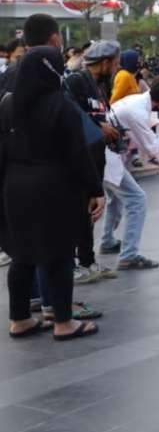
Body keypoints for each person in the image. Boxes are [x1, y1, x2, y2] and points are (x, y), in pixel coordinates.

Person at [3, 48, 106, 340]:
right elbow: (78, 153)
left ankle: (19, 319)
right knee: (59, 253)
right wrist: (95, 189)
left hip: (15, 186)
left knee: (21, 254)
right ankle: (63, 322)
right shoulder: (60, 105)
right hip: (54, 186)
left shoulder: (8, 104)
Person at [102, 77, 159, 271]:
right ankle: (128, 255)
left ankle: (107, 240)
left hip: (109, 155)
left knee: (115, 199)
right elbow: (152, 148)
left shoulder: (136, 102)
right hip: (107, 157)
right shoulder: (137, 111)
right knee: (137, 199)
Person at [64, 40, 121, 284]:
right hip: (81, 156)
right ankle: (79, 263)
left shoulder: (100, 84)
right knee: (80, 209)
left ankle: (88, 261)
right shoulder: (77, 81)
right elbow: (71, 113)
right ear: (105, 62)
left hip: (97, 154)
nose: (117, 67)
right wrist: (100, 126)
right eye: (115, 63)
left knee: (90, 210)